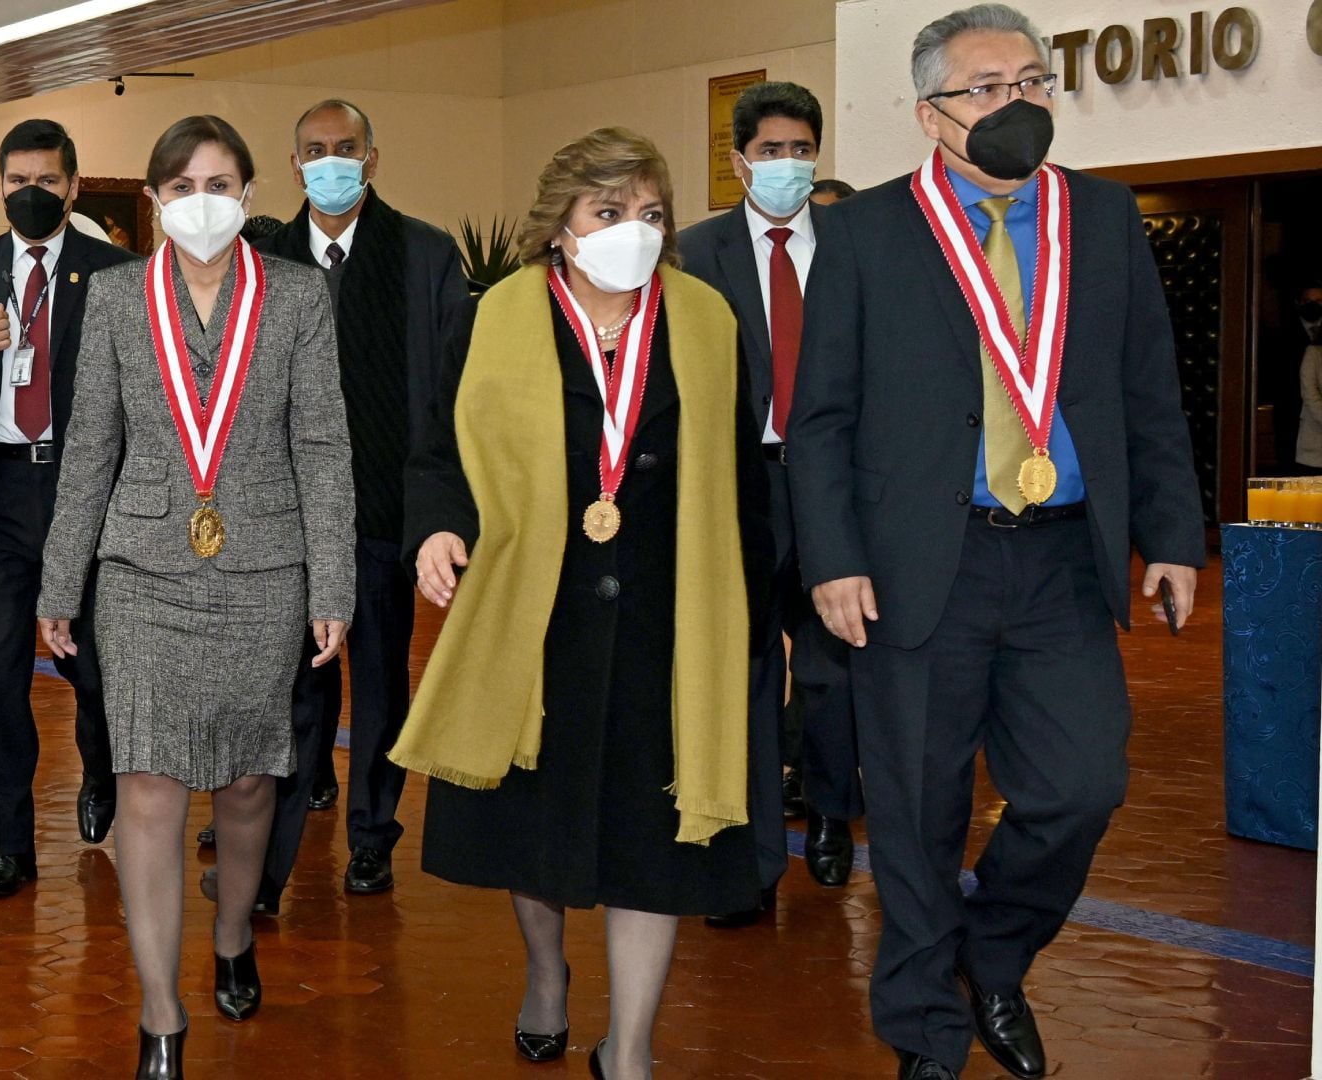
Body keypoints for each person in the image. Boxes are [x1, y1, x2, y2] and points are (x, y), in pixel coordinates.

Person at [788, 7, 1204, 1079]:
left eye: (1031, 81)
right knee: (919, 814)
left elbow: (1149, 391)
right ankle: (926, 1029)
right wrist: (832, 558)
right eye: (986, 88)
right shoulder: (869, 233)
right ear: (932, 116)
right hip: (921, 564)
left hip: (1064, 559)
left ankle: (993, 954)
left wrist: (1170, 534)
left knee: (1080, 787)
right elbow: (821, 414)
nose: (1015, 104)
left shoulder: (1103, 220)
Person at [392, 127, 766, 1080]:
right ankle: (548, 972)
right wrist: (437, 528)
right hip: (538, 613)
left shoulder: (709, 320)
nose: (632, 233)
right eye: (609, 213)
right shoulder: (497, 316)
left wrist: (762, 616)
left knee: (657, 838)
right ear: (561, 225)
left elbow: (743, 481)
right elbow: (438, 451)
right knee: (538, 825)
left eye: (650, 215)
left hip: (667, 618)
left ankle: (630, 1047)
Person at [35, 115, 353, 1080]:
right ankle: (160, 1011)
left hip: (265, 571)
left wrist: (332, 581)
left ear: (250, 195)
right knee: (148, 784)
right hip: (141, 575)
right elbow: (90, 446)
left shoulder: (296, 296)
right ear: (157, 203)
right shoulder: (119, 298)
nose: (201, 201)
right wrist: (62, 579)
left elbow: (322, 445)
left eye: (219, 183)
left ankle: (231, 937)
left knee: (252, 779)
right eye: (180, 188)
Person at [245, 98, 472, 904]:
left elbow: (453, 394)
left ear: (372, 158)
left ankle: (373, 834)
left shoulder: (424, 256)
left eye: (346, 148)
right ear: (294, 161)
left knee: (379, 682)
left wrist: (436, 515)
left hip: (383, 511)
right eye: (314, 149)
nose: (331, 161)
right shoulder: (261, 257)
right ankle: (275, 841)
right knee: (295, 684)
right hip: (285, 514)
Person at [0, 120, 135, 895]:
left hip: (90, 496)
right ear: (1, 186)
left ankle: (102, 773)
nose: (31, 194)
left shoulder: (117, 273)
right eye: (18, 181)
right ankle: (8, 841)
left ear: (73, 187)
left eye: (47, 181)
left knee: (93, 666)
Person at [677, 81, 863, 931]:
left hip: (836, 486)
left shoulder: (857, 245)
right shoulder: (695, 252)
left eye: (802, 150)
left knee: (831, 669)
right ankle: (751, 861)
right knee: (748, 676)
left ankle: (829, 816)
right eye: (772, 151)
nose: (788, 165)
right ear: (739, 159)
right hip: (739, 488)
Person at [1292, 282, 1322, 471]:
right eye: (1308, 300)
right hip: (1313, 441)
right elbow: (1310, 394)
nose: (1313, 305)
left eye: (1318, 301)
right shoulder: (1313, 352)